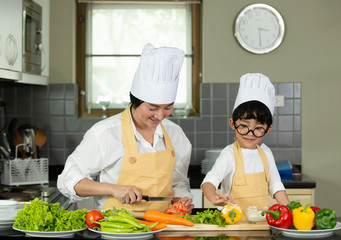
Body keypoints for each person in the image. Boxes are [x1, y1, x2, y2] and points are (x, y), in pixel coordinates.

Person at [58, 43, 194, 213]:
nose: (160, 116)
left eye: (167, 107)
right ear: (135, 101)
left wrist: (181, 201)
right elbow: (68, 180)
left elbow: (178, 182)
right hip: (117, 230)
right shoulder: (106, 133)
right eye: (152, 108)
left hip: (166, 227)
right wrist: (114, 189)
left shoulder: (175, 135)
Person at [201, 73, 290, 210]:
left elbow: (276, 185)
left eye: (259, 128)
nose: (250, 133)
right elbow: (209, 182)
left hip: (261, 222)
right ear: (232, 123)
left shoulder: (266, 153)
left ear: (268, 129)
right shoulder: (229, 154)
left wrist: (290, 209)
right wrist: (214, 198)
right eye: (244, 126)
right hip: (233, 224)